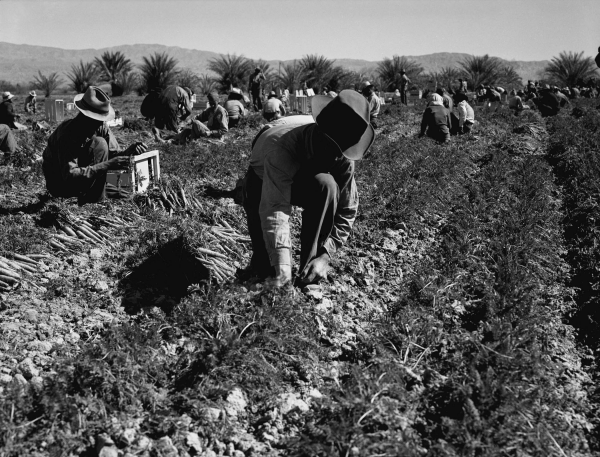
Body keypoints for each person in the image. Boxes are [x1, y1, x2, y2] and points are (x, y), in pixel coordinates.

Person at [240, 90, 374, 287]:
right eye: (330, 147)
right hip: (262, 174)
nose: (335, 156)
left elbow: (347, 209)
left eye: (340, 150)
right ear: (318, 132)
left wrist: (326, 255)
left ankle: (309, 271)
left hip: (300, 169)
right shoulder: (280, 150)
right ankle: (264, 268)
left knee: (327, 186)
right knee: (266, 266)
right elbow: (276, 207)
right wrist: (282, 265)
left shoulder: (342, 156)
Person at [42, 86, 147, 205]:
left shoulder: (99, 126)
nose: (101, 123)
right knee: (100, 144)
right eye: (97, 119)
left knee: (126, 187)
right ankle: (94, 199)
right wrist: (107, 165)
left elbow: (113, 156)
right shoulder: (67, 135)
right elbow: (70, 175)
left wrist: (127, 153)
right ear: (86, 116)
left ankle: (97, 191)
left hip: (87, 175)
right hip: (61, 184)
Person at [154, 91, 229, 144]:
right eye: (210, 103)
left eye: (214, 103)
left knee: (196, 123)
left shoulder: (221, 112)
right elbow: (199, 117)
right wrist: (187, 123)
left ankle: (189, 142)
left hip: (215, 136)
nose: (212, 105)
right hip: (208, 132)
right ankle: (166, 141)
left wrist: (210, 132)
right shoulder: (210, 110)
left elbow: (224, 130)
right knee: (186, 131)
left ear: (218, 101)